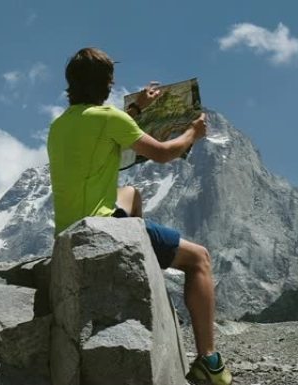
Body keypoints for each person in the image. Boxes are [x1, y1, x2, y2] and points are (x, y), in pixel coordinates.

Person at [47, 47, 232, 385]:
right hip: (104, 228)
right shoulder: (110, 119)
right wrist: (193, 133)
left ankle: (144, 259)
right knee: (200, 259)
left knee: (131, 193)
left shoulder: (59, 126)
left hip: (69, 229)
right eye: (110, 79)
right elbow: (162, 154)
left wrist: (137, 108)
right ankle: (210, 363)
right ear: (106, 85)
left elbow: (104, 127)